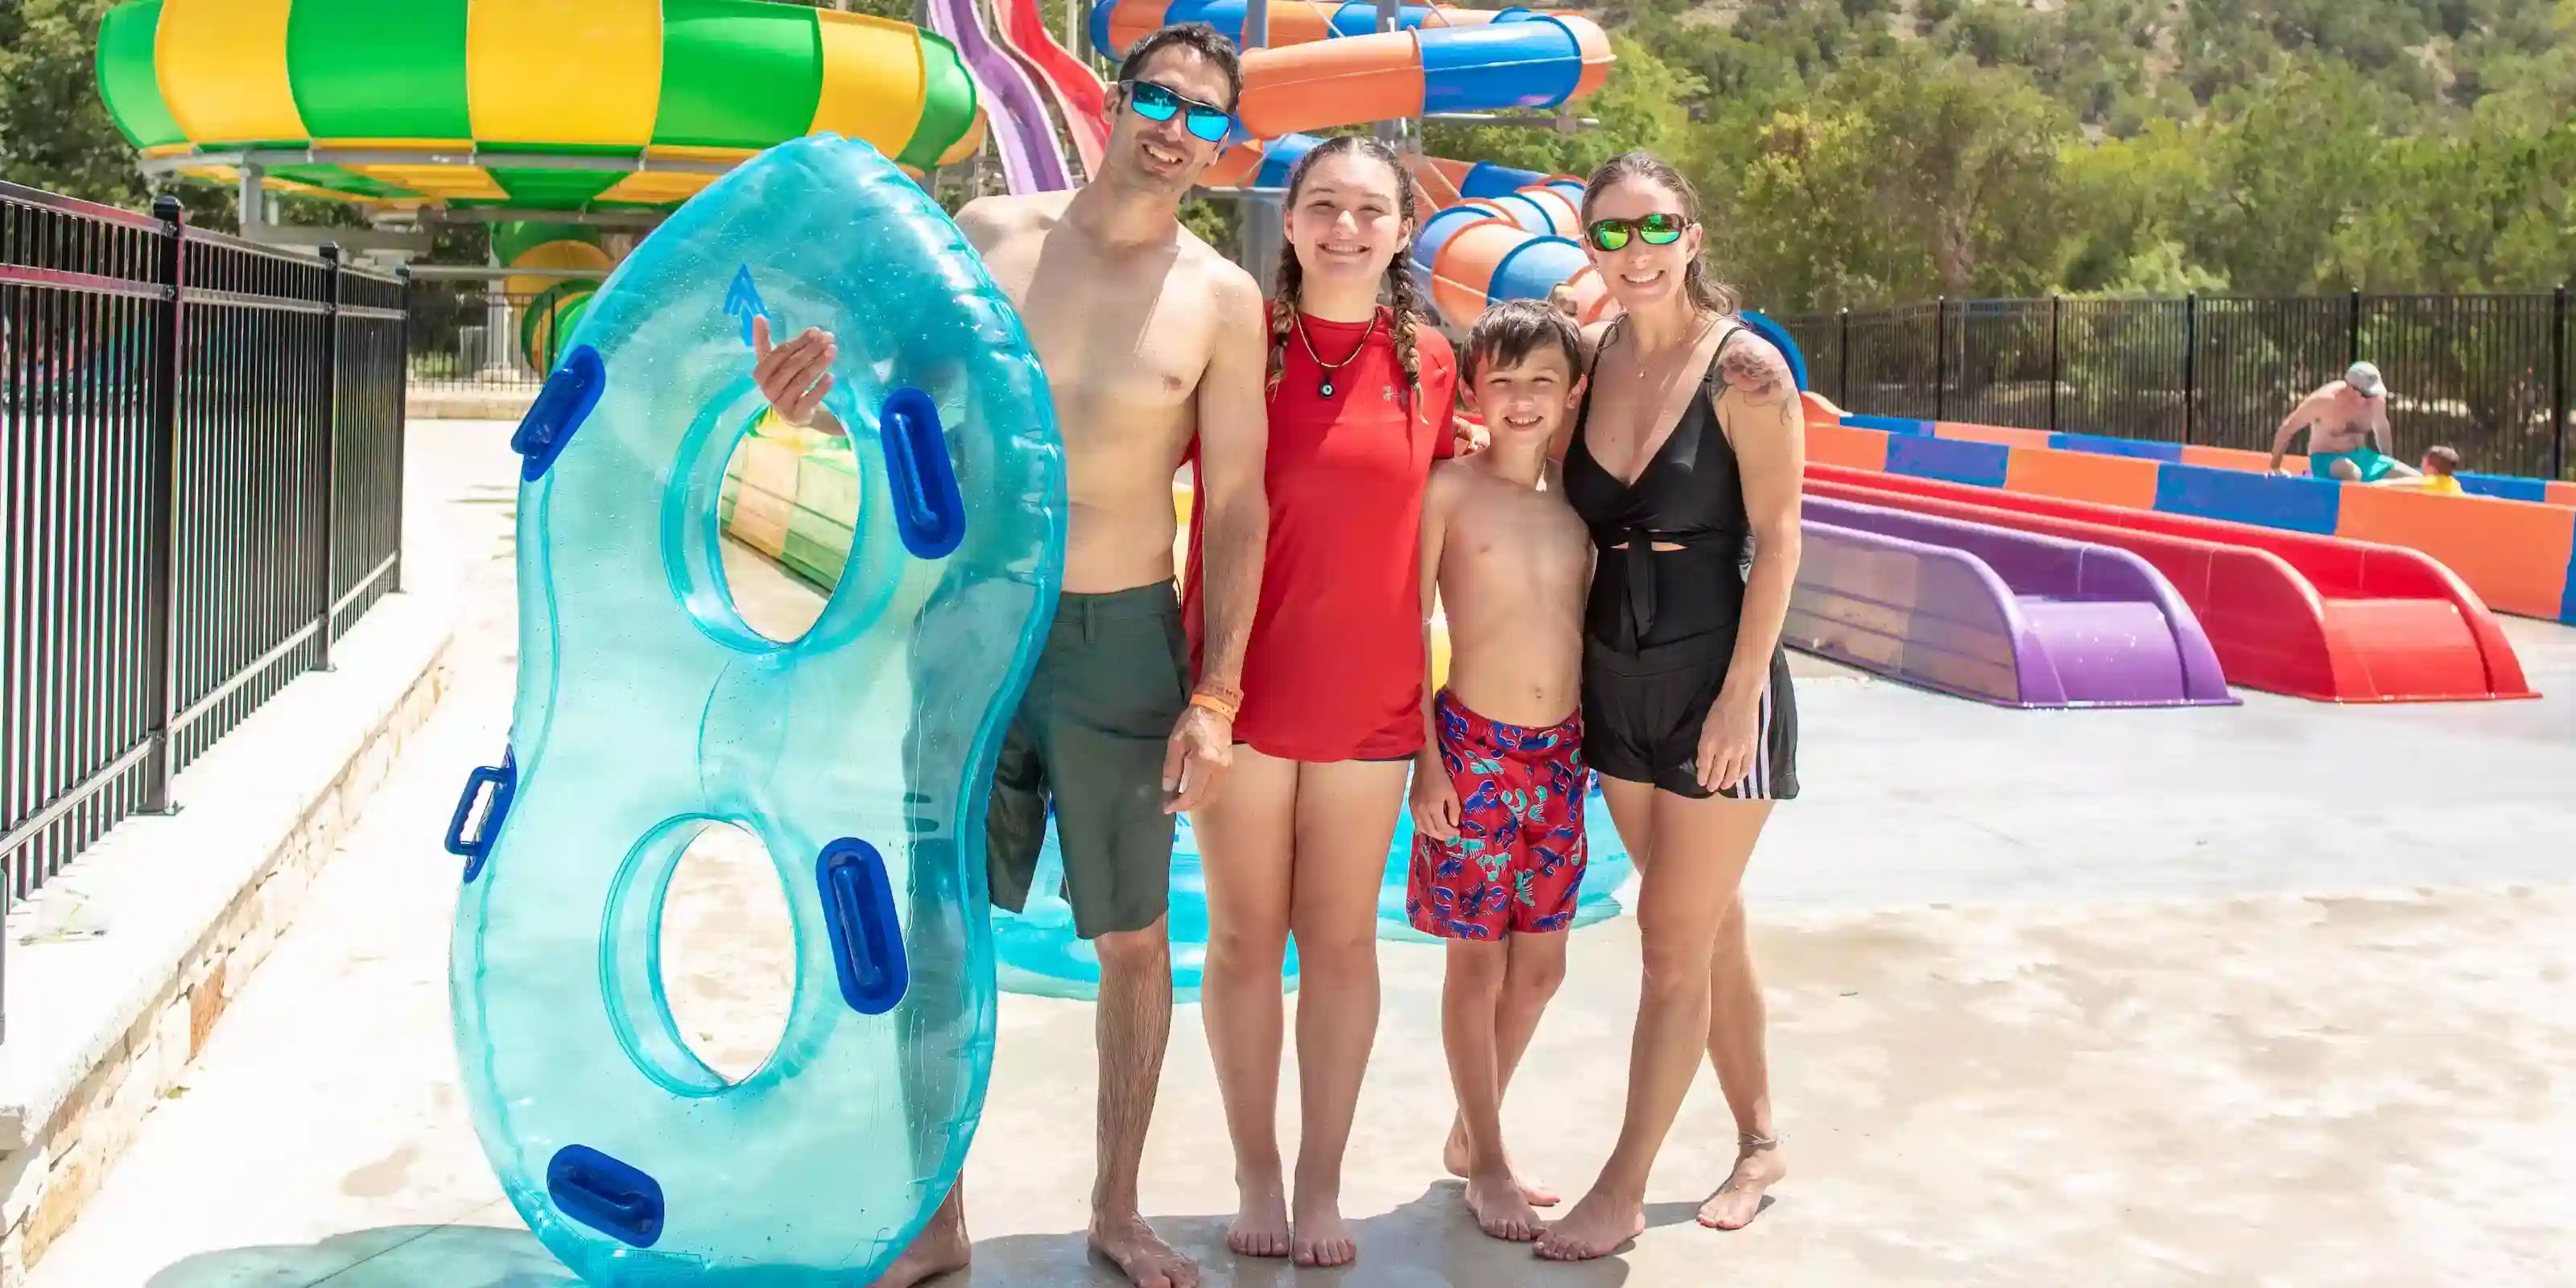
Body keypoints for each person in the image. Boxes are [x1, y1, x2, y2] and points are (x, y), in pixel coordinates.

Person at [751, 23, 1269, 1288]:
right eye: (1158, 97)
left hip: (1120, 634)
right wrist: (804, 397)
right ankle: (937, 1214)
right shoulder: (989, 234)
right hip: (977, 616)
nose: (1175, 126)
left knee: (1135, 939)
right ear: (1112, 97)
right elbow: (899, 397)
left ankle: (1118, 1207)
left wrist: (1216, 690)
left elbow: (1244, 505)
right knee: (941, 921)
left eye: (1204, 115)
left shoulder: (1222, 298)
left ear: (1220, 145)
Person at [1181, 134, 1458, 1269]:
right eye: (1325, 207)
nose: (1347, 227)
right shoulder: (1231, 349)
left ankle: (1320, 1177)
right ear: (1288, 223)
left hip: (1369, 700)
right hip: (1238, 689)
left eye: (1371, 211)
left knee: (1342, 944)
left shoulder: (1440, 367)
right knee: (1246, 941)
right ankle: (1253, 1165)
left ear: (1402, 232)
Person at [1535, 151, 1805, 1262]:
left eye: (1656, 230)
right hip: (1617, 680)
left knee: (1666, 939)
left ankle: (1621, 1186)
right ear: (1588, 249)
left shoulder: (1743, 371)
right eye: (1610, 234)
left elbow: (1782, 538)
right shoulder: (1588, 365)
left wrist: (1742, 694)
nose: (1635, 252)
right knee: (1705, 921)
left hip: (1715, 681)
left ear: (1692, 236)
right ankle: (1760, 1141)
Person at [1407, 300, 1594, 1244]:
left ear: (1571, 393)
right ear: (1474, 389)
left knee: (1543, 965)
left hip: (1560, 756)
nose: (1521, 400)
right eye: (1504, 381)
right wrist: (1424, 761)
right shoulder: (1447, 490)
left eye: (1542, 382)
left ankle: (1466, 1128)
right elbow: (1406, 628)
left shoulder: (1578, 502)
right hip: (1472, 750)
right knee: (1475, 961)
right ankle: (1487, 1156)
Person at [2268, 361, 2418, 482]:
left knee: (2416, 481)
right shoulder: (2324, 402)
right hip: (2327, 460)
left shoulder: (2375, 401)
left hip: (2363, 456)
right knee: (2352, 473)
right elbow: (2287, 429)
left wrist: (2388, 461)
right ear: (2351, 389)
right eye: (2367, 395)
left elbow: (2381, 428)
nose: (2372, 399)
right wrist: (2275, 467)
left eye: (2375, 394)